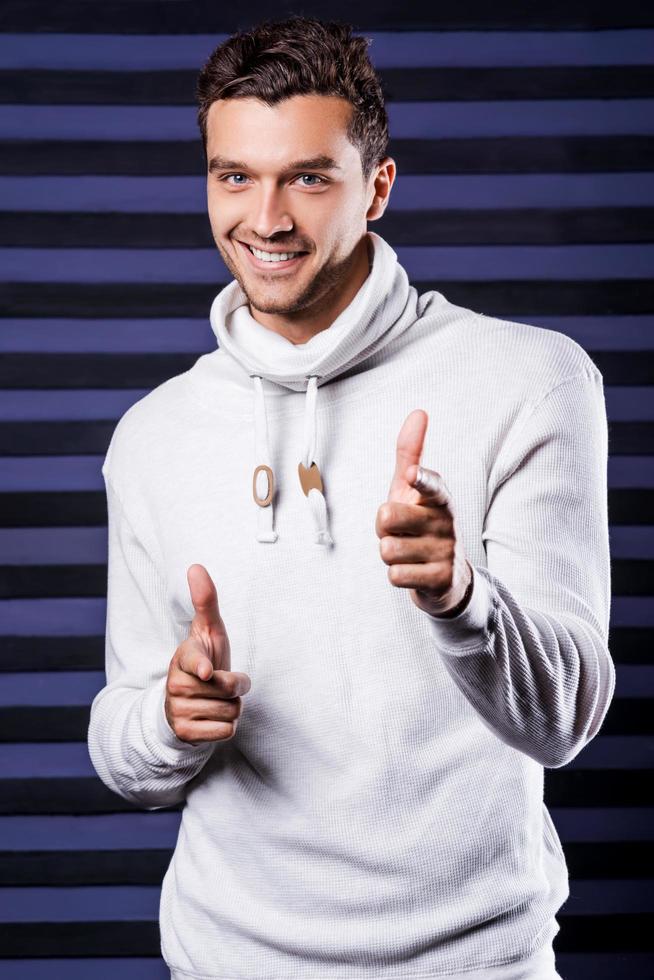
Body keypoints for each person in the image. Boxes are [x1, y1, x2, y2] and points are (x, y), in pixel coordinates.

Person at [87, 15, 615, 980]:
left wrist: (461, 599)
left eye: (310, 177)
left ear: (378, 187)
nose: (267, 218)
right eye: (234, 175)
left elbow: (565, 720)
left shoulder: (531, 381)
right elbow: (122, 744)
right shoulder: (153, 437)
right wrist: (169, 718)